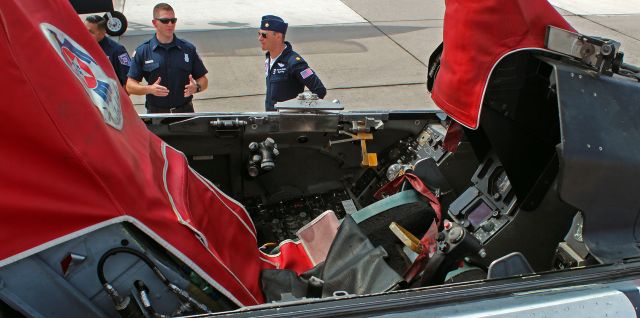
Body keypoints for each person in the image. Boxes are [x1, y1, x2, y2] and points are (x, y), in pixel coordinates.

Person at [126, 3, 208, 113]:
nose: (170, 24)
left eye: (173, 20)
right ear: (155, 23)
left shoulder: (188, 49)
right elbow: (130, 86)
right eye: (165, 21)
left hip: (185, 114)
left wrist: (196, 88)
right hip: (156, 116)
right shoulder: (143, 51)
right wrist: (149, 89)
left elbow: (203, 80)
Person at [259, 15, 326, 111]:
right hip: (271, 121)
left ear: (278, 36)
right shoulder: (268, 59)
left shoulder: (295, 63)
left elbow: (319, 90)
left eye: (264, 35)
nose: (260, 38)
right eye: (259, 34)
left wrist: (294, 107)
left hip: (288, 122)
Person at [84, 15, 130, 86]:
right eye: (84, 30)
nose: (86, 34)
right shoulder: (80, 45)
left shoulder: (117, 51)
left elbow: (127, 80)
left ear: (103, 33)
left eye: (90, 32)